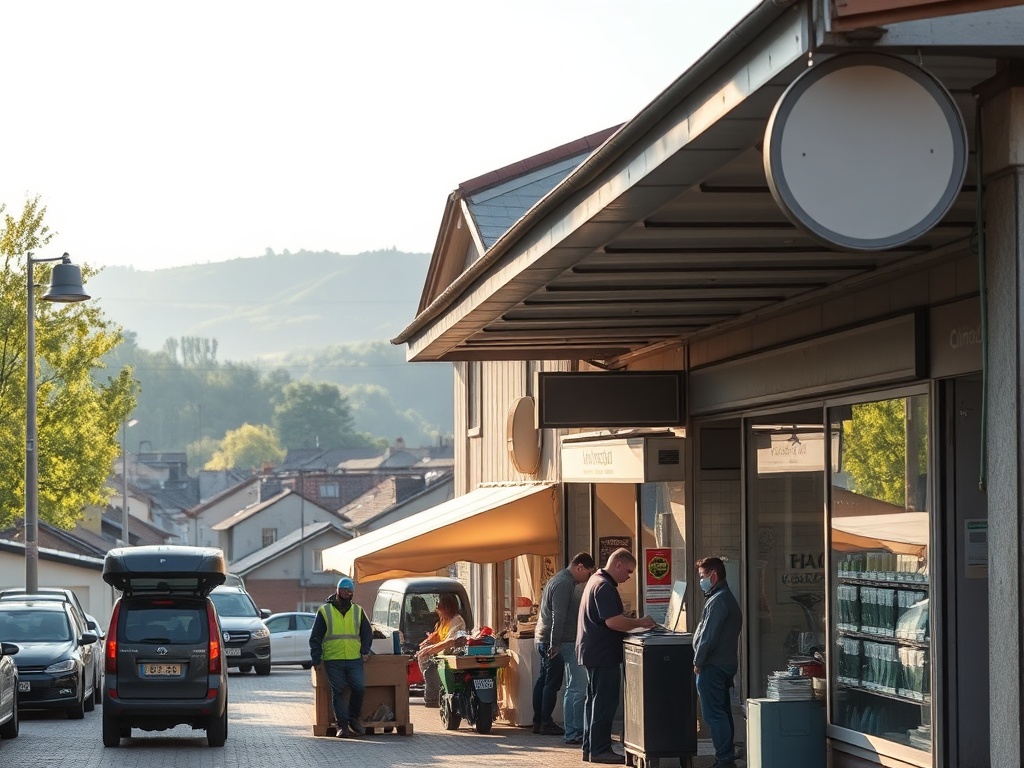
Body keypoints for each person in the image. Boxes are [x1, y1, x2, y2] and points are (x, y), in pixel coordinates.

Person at [577, 548, 656, 765]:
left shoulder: (595, 580)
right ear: (618, 564)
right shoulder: (604, 586)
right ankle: (600, 749)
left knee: (593, 701)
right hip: (603, 655)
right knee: (604, 702)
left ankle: (590, 748)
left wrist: (629, 621)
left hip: (593, 652)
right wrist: (639, 623)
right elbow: (613, 622)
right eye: (629, 571)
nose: (629, 576)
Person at [532, 551, 596, 741]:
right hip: (554, 640)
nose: (588, 578)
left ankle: (540, 721)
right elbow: (558, 616)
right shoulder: (564, 583)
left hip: (545, 637)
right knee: (557, 683)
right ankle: (548, 723)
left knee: (545, 680)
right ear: (580, 567)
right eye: (588, 573)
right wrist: (555, 643)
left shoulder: (558, 580)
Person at [693, 556, 743, 768]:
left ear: (713, 575)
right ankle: (726, 756)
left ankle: (724, 759)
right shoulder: (721, 597)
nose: (701, 581)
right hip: (722, 664)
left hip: (713, 666)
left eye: (703, 576)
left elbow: (708, 637)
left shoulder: (719, 599)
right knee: (721, 711)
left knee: (714, 715)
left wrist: (698, 661)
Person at [309, 576, 373, 738]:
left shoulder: (358, 611)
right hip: (332, 658)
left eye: (349, 590)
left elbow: (367, 633)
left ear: (353, 593)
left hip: (353, 658)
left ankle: (353, 719)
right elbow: (315, 637)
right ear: (337, 591)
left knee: (359, 688)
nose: (346, 593)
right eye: (343, 590)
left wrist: (365, 651)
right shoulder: (325, 611)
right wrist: (316, 659)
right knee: (337, 691)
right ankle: (342, 726)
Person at [415, 593, 467, 707]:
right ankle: (432, 694)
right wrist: (428, 642)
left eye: (439, 607)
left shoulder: (457, 620)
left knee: (431, 669)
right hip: (440, 651)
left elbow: (450, 641)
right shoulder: (443, 621)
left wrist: (431, 649)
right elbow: (438, 636)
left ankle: (432, 698)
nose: (437, 610)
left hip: (451, 652)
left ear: (447, 608)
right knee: (424, 658)